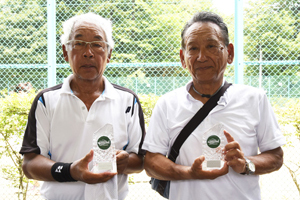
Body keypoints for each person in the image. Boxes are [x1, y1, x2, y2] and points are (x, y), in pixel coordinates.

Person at [142, 11, 285, 200]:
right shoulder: (167, 104)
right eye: (193, 49)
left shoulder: (254, 99)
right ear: (182, 58)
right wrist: (189, 172)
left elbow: (276, 156)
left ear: (230, 53)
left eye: (211, 46)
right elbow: (151, 162)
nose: (201, 57)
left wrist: (246, 164)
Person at [19, 13, 146, 200]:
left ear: (109, 53)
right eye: (79, 44)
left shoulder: (128, 101)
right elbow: (30, 164)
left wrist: (124, 162)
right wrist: (71, 171)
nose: (88, 52)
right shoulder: (46, 101)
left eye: (97, 44)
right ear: (65, 52)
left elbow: (141, 159)